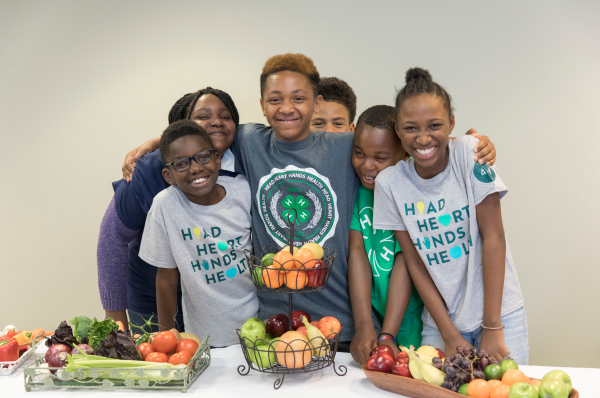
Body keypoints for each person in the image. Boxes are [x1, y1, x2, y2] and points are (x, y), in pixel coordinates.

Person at [119, 54, 497, 350]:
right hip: (271, 323)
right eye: (275, 99)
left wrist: (469, 142)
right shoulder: (250, 140)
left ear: (316, 103)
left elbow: (409, 135)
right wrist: (158, 143)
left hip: (341, 323)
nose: (287, 107)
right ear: (262, 105)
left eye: (298, 98)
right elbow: (204, 136)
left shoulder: (347, 145)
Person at [373, 68, 528, 364]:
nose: (423, 138)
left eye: (434, 125)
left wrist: (492, 326)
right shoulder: (390, 184)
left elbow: (494, 237)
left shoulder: (469, 154)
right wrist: (448, 333)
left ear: (451, 123)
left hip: (499, 313)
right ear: (397, 129)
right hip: (441, 323)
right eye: (410, 128)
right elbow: (414, 261)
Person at [97, 87, 241, 331]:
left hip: (217, 302)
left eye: (225, 117)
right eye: (203, 117)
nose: (216, 122)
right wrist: (115, 319)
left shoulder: (245, 163)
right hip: (153, 298)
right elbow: (112, 238)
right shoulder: (150, 169)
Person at [139, 120, 256, 347]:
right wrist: (168, 340)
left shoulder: (242, 190)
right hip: (203, 339)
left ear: (217, 159)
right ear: (168, 176)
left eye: (203, 156)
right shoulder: (164, 206)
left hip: (258, 330)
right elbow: (166, 278)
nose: (195, 168)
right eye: (181, 163)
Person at [348, 105, 424, 364]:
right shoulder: (358, 191)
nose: (367, 165)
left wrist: (387, 334)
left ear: (403, 155)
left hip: (410, 319)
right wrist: (364, 324)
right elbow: (356, 250)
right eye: (359, 153)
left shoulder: (410, 192)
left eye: (380, 158)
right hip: (372, 315)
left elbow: (406, 261)